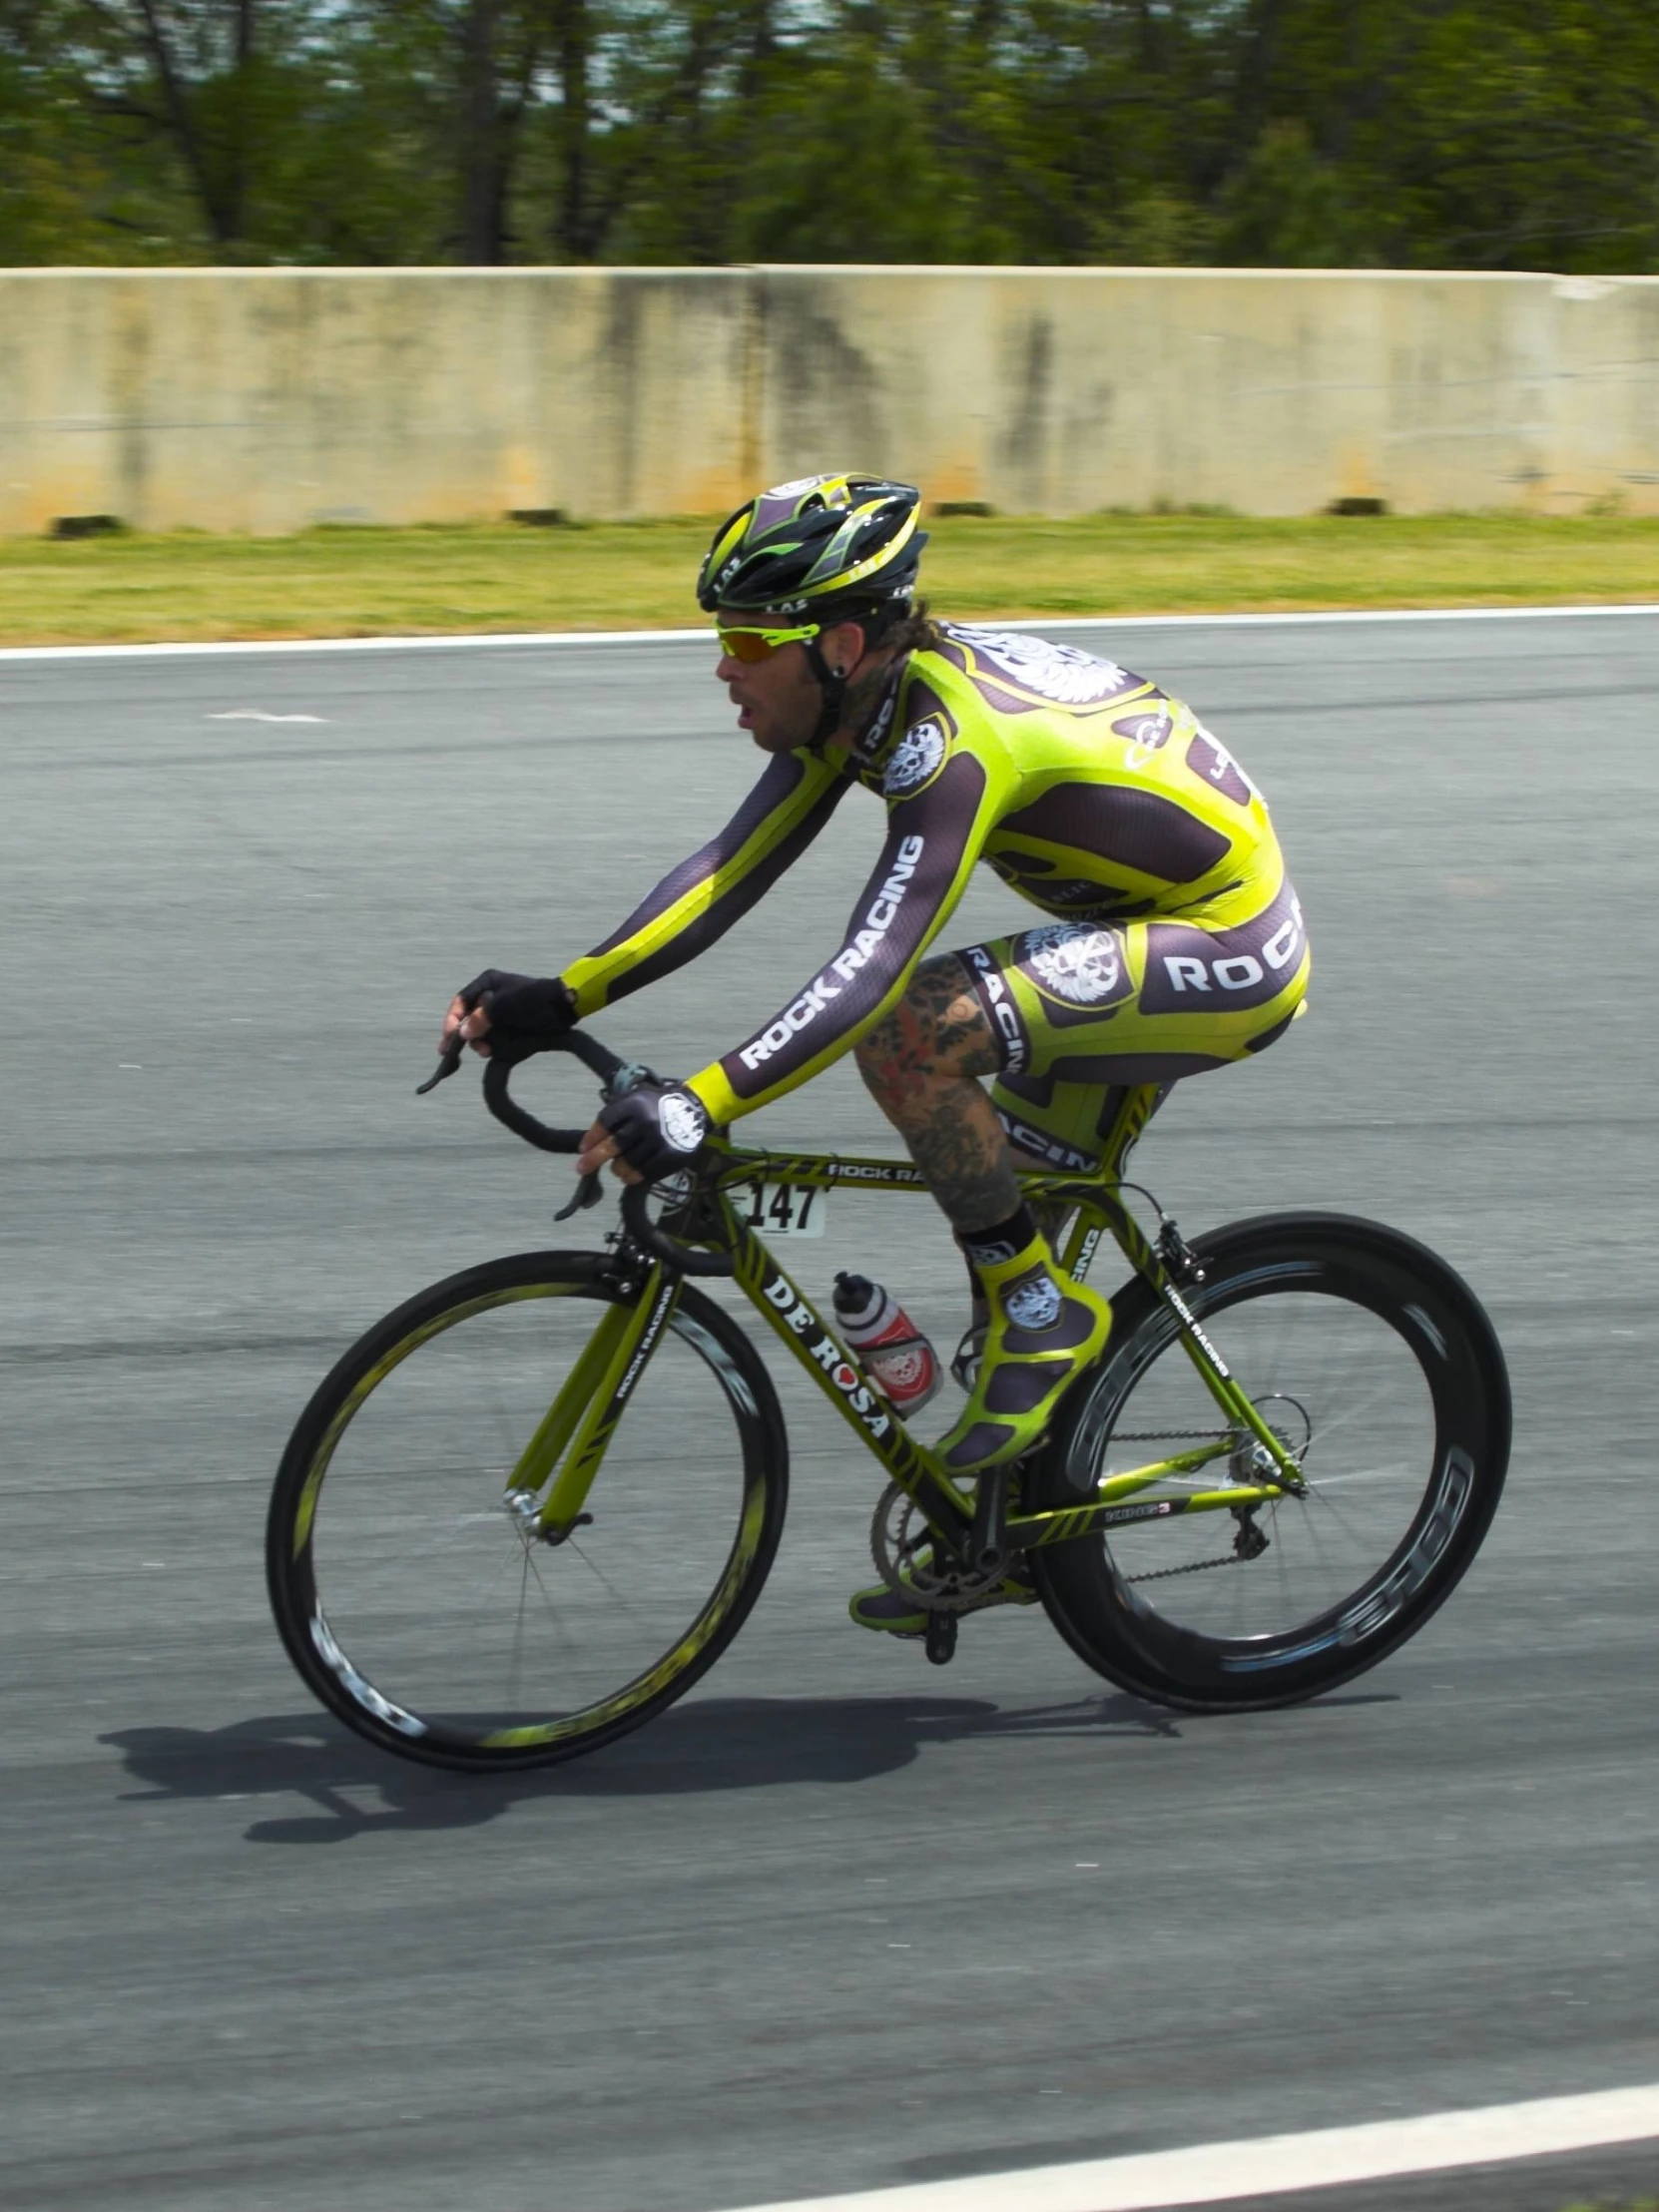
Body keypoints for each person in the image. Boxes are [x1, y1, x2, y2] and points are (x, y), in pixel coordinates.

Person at [440, 472, 1310, 1636]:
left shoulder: (949, 741)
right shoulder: (858, 703)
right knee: (998, 1232)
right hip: (1119, 928)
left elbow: (873, 968)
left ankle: (1042, 1311)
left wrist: (699, 1100)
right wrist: (565, 989)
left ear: (841, 641)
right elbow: (724, 871)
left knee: (919, 1036)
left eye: (748, 638)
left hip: (1229, 937)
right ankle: (1010, 1537)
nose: (722, 664)